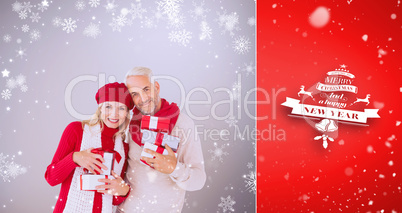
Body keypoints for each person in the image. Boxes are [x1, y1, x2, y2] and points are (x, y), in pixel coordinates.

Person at [117, 67, 206, 213]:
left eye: (146, 89)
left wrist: (174, 168)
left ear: (156, 87)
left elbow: (199, 180)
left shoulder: (183, 124)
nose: (143, 99)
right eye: (135, 94)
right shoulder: (127, 123)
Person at [45, 82, 134, 213]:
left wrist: (123, 190)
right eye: (108, 106)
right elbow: (51, 178)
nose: (114, 114)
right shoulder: (76, 130)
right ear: (100, 108)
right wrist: (74, 158)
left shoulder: (123, 147)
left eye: (121, 108)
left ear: (127, 112)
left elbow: (112, 199)